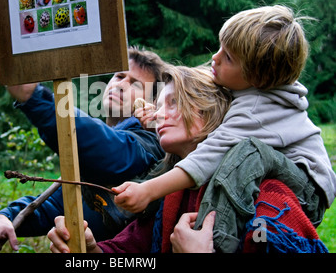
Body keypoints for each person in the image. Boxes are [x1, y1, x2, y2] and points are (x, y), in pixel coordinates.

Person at [48, 65, 329, 253]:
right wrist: (87, 249)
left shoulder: (267, 193)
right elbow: (127, 252)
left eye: (173, 103)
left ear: (208, 112)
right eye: (158, 106)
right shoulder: (172, 193)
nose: (158, 114)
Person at [113, 5, 336, 223]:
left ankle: (215, 237)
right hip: (298, 180)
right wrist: (162, 114)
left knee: (241, 158)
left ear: (257, 77)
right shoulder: (261, 87)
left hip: (307, 191)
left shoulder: (257, 109)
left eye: (228, 57)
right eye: (220, 48)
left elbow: (208, 156)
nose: (215, 58)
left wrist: (148, 190)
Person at [0, 46, 167, 253]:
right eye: (119, 76)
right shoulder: (96, 143)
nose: (121, 85)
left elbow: (110, 151)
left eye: (136, 84)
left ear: (152, 103)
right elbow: (53, 204)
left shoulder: (153, 144)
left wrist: (35, 98)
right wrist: (5, 217)